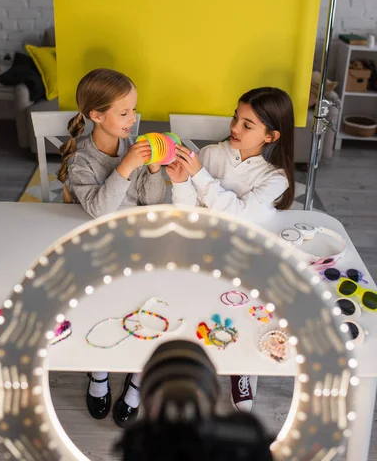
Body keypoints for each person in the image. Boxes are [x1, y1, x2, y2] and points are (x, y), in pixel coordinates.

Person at [166, 87, 295, 412]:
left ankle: (242, 370)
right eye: (236, 118)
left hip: (245, 256)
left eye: (247, 125)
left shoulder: (275, 178)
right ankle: (194, 365)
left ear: (271, 135)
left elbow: (236, 215)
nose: (235, 128)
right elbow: (189, 211)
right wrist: (182, 181)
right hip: (203, 247)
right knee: (192, 305)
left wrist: (198, 174)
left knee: (251, 310)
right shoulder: (209, 155)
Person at [57, 68, 166, 427]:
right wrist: (127, 165)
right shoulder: (81, 160)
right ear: (96, 116)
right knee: (100, 306)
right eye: (124, 113)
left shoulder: (130, 148)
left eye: (135, 110)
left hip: (139, 243)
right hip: (98, 246)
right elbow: (99, 210)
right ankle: (99, 373)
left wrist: (151, 169)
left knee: (146, 307)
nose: (133, 120)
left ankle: (136, 379)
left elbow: (151, 202)